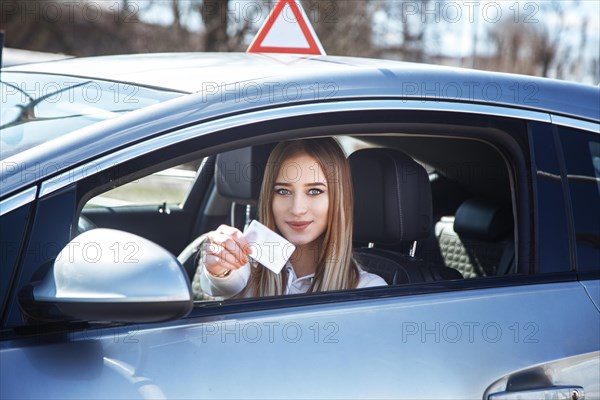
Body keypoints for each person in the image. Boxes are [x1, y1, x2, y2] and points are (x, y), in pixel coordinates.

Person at [194, 137, 386, 299]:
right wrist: (219, 269)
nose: (297, 209)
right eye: (283, 191)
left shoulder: (369, 291)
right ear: (269, 197)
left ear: (339, 199)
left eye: (314, 191)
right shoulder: (246, 268)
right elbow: (224, 285)